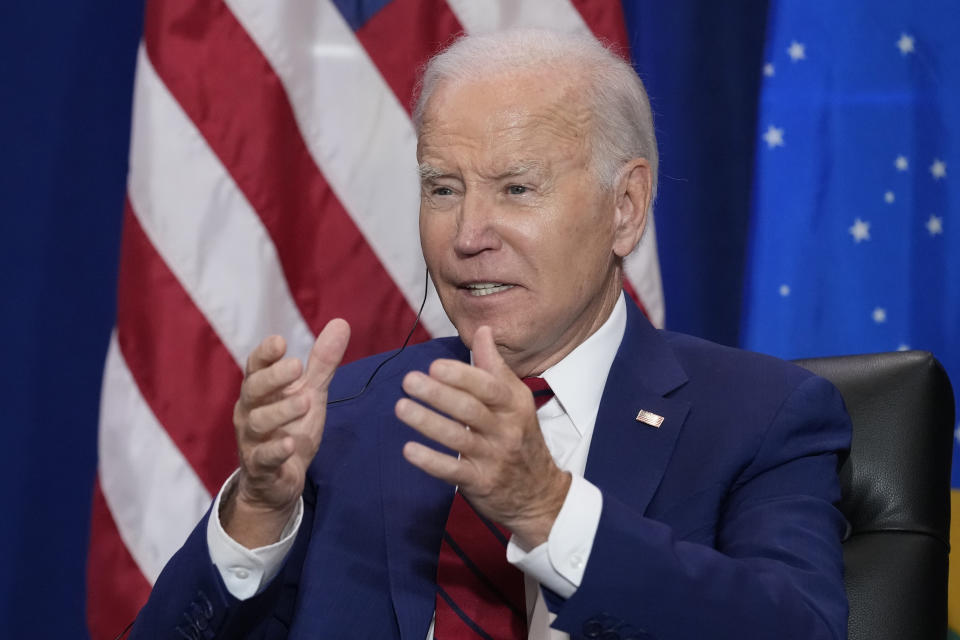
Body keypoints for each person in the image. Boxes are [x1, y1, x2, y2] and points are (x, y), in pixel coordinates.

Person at [129, 28, 850, 640]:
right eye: (443, 189)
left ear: (625, 209)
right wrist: (258, 511)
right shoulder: (345, 422)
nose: (468, 236)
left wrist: (546, 510)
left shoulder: (759, 417)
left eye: (516, 189)